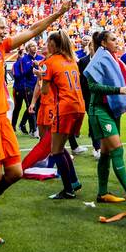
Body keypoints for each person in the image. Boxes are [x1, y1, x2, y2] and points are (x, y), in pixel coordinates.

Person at [0, 0, 72, 246]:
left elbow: (32, 30)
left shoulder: (1, 49)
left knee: (15, 172)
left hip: (2, 118)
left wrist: (57, 14)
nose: (5, 33)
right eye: (1, 28)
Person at [84, 30, 126, 204]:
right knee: (117, 150)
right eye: (113, 39)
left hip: (110, 110)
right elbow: (92, 86)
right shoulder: (100, 58)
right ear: (104, 43)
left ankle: (102, 193)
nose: (117, 41)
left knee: (105, 153)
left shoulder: (112, 58)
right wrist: (117, 90)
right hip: (100, 110)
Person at [42, 30, 86, 199]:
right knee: (61, 145)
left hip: (65, 107)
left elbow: (45, 91)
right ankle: (73, 181)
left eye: (48, 43)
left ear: (53, 44)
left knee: (56, 151)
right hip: (78, 106)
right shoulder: (71, 60)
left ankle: (68, 189)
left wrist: (42, 77)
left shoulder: (50, 62)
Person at [77, 36, 101, 158]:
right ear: (89, 47)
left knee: (97, 119)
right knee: (92, 119)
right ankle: (97, 147)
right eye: (93, 46)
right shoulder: (82, 61)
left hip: (100, 95)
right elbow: (80, 80)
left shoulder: (102, 60)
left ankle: (98, 145)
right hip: (87, 95)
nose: (94, 49)